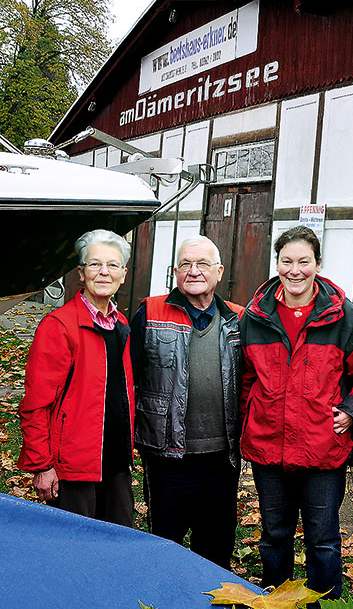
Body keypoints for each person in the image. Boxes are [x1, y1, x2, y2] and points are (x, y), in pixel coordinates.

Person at [239, 225, 353, 600]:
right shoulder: (256, 316)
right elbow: (244, 379)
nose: (295, 270)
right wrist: (248, 419)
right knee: (275, 534)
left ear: (317, 264)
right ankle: (277, 601)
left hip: (322, 448)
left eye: (304, 261)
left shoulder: (343, 317)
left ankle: (325, 600)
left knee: (322, 537)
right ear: (277, 264)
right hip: (268, 448)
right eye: (286, 261)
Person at [130, 235, 243, 568]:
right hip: (168, 456)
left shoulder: (237, 319)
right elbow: (128, 380)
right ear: (175, 271)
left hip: (223, 459)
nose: (194, 271)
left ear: (219, 271)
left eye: (203, 264)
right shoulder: (149, 312)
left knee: (217, 546)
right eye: (186, 264)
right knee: (166, 544)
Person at [18, 229, 135, 526]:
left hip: (115, 462)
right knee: (74, 551)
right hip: (73, 467)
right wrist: (42, 466)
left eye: (112, 265)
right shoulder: (59, 326)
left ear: (124, 273)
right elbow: (35, 402)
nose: (104, 272)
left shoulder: (120, 324)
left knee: (117, 546)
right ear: (81, 273)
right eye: (94, 264)